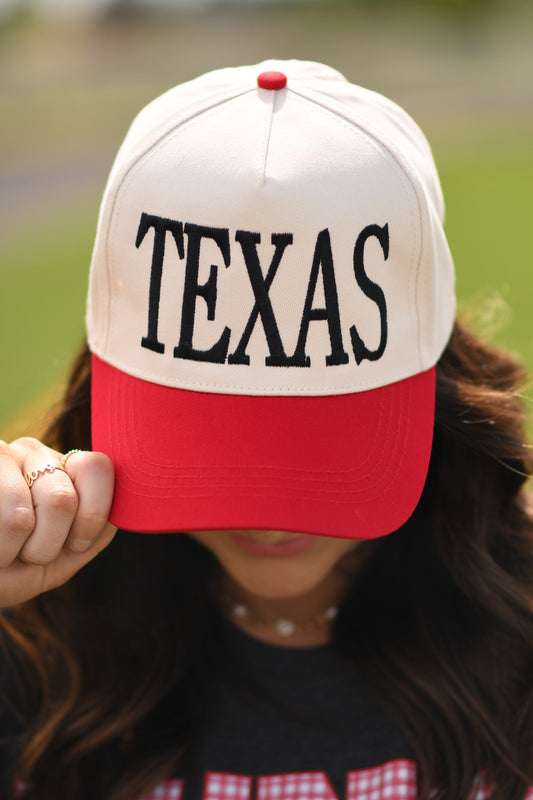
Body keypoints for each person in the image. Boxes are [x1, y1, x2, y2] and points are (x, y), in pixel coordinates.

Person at [1, 60, 533, 800]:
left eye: (318, 440)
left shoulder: (518, 621)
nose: (267, 509)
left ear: (431, 377)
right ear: (105, 380)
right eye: (207, 440)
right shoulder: (33, 645)